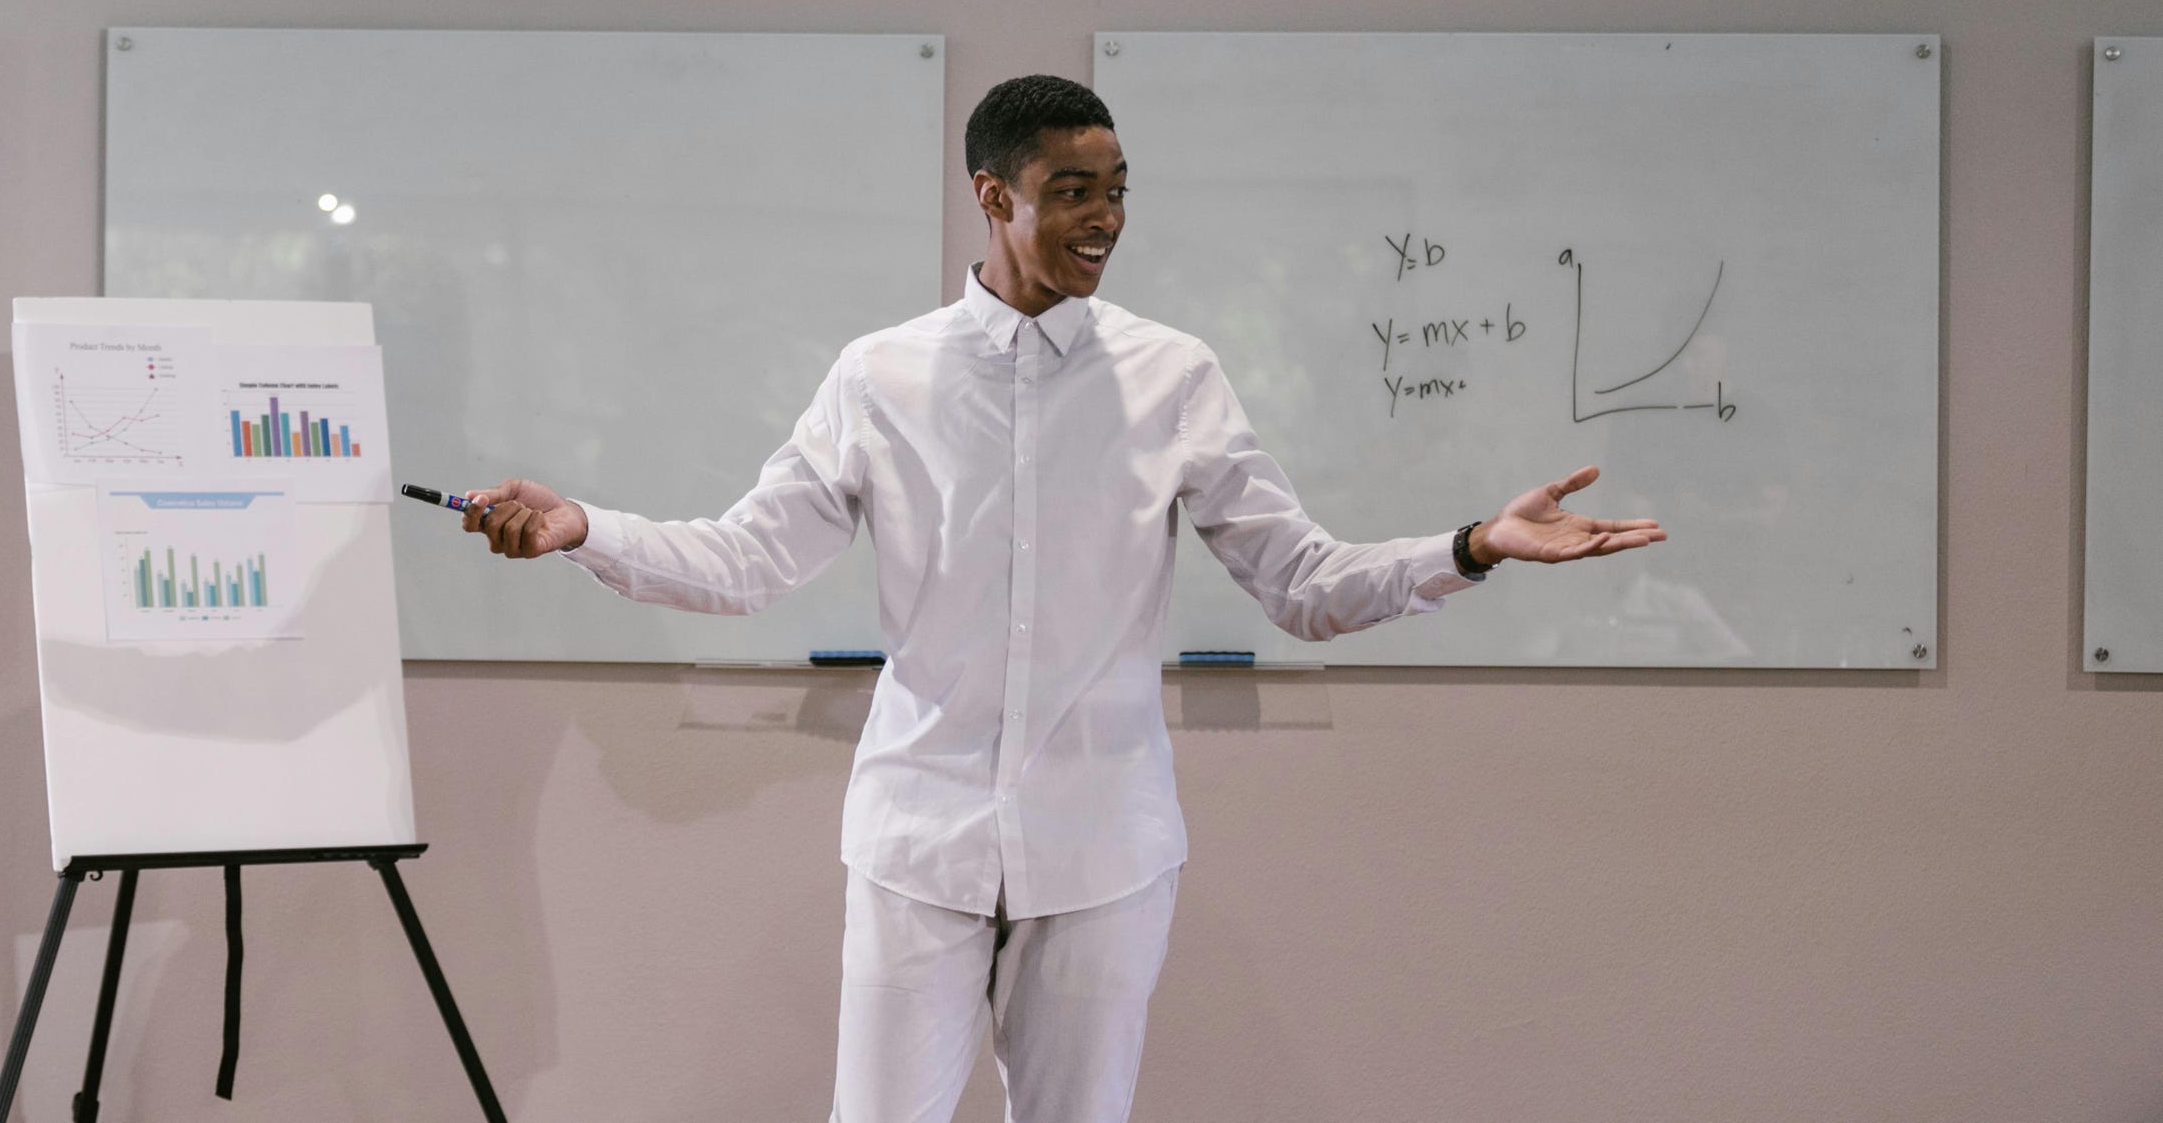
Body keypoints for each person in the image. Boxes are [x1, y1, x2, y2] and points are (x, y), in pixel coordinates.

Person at [461, 75, 1664, 1123]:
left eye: (1120, 189)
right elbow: (748, 559)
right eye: (1077, 190)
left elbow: (1301, 586)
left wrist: (1473, 545)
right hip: (918, 841)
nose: (1107, 220)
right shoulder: (880, 378)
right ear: (997, 196)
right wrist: (585, 530)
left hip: (1102, 851)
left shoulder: (1173, 377)